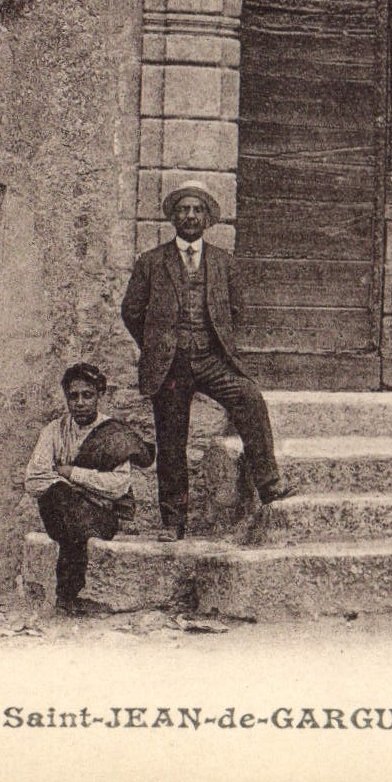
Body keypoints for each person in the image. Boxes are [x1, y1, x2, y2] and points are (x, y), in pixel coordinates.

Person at [121, 180, 294, 541]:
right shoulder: (151, 262)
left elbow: (235, 310)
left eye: (197, 210)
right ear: (173, 217)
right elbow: (132, 311)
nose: (190, 216)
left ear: (208, 218)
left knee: (248, 397)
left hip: (211, 360)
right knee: (171, 441)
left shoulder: (223, 262)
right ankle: (173, 522)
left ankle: (268, 483)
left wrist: (217, 345)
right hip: (171, 365)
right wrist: (158, 345)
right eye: (183, 209)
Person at [24, 362, 155, 615]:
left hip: (101, 516)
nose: (80, 402)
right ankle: (70, 596)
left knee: (67, 515)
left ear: (100, 395)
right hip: (65, 509)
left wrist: (72, 473)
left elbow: (117, 486)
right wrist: (78, 489)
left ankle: (68, 595)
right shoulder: (54, 431)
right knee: (58, 497)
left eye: (88, 395)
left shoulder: (114, 435)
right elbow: (33, 479)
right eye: (73, 396)